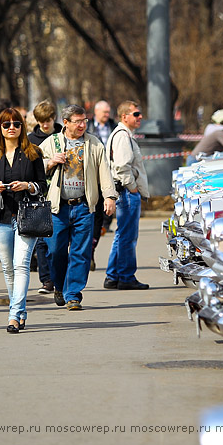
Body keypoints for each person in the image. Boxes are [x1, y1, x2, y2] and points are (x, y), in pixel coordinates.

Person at [39, 104, 117, 311]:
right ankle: (58, 284)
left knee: (80, 252)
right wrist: (50, 162)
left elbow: (104, 172)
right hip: (58, 208)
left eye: (85, 121)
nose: (83, 125)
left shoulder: (93, 144)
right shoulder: (52, 142)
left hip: (83, 206)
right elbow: (34, 168)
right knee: (55, 251)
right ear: (66, 123)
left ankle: (73, 294)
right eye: (78, 121)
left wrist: (109, 196)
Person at [0, 108, 47, 332]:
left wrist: (28, 186)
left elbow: (43, 185)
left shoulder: (33, 153)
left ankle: (12, 315)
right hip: (0, 217)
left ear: (22, 127)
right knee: (8, 268)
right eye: (6, 124)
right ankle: (19, 311)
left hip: (27, 217)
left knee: (21, 265)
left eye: (16, 124)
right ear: (0, 128)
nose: (12, 128)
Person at [105, 100, 150, 290]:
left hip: (123, 191)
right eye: (136, 114)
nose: (139, 117)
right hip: (126, 192)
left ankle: (113, 275)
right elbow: (122, 167)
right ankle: (126, 276)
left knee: (122, 234)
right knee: (128, 236)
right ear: (124, 117)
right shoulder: (123, 136)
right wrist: (132, 187)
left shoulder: (123, 134)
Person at [26, 100, 62, 295]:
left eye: (47, 120)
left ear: (53, 118)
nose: (44, 124)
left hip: (60, 193)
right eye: (41, 121)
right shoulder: (32, 139)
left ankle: (58, 278)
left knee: (59, 241)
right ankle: (46, 279)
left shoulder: (62, 136)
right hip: (40, 195)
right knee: (41, 240)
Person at [86, 100, 118, 271]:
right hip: (90, 174)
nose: (106, 114)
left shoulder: (114, 127)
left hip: (108, 172)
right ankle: (85, 253)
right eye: (104, 112)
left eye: (108, 111)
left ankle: (91, 249)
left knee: (100, 216)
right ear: (96, 112)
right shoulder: (88, 127)